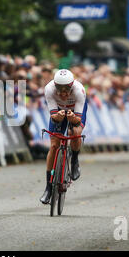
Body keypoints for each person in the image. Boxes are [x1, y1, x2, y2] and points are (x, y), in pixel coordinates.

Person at [40, 69, 87, 205]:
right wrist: (58, 117)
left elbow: (78, 120)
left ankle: (74, 161)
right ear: (55, 86)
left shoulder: (79, 91)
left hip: (75, 111)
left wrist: (72, 118)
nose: (64, 93)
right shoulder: (49, 89)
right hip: (58, 111)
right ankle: (48, 187)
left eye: (67, 90)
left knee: (75, 132)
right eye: (60, 90)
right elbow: (54, 117)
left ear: (72, 86)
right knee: (54, 145)